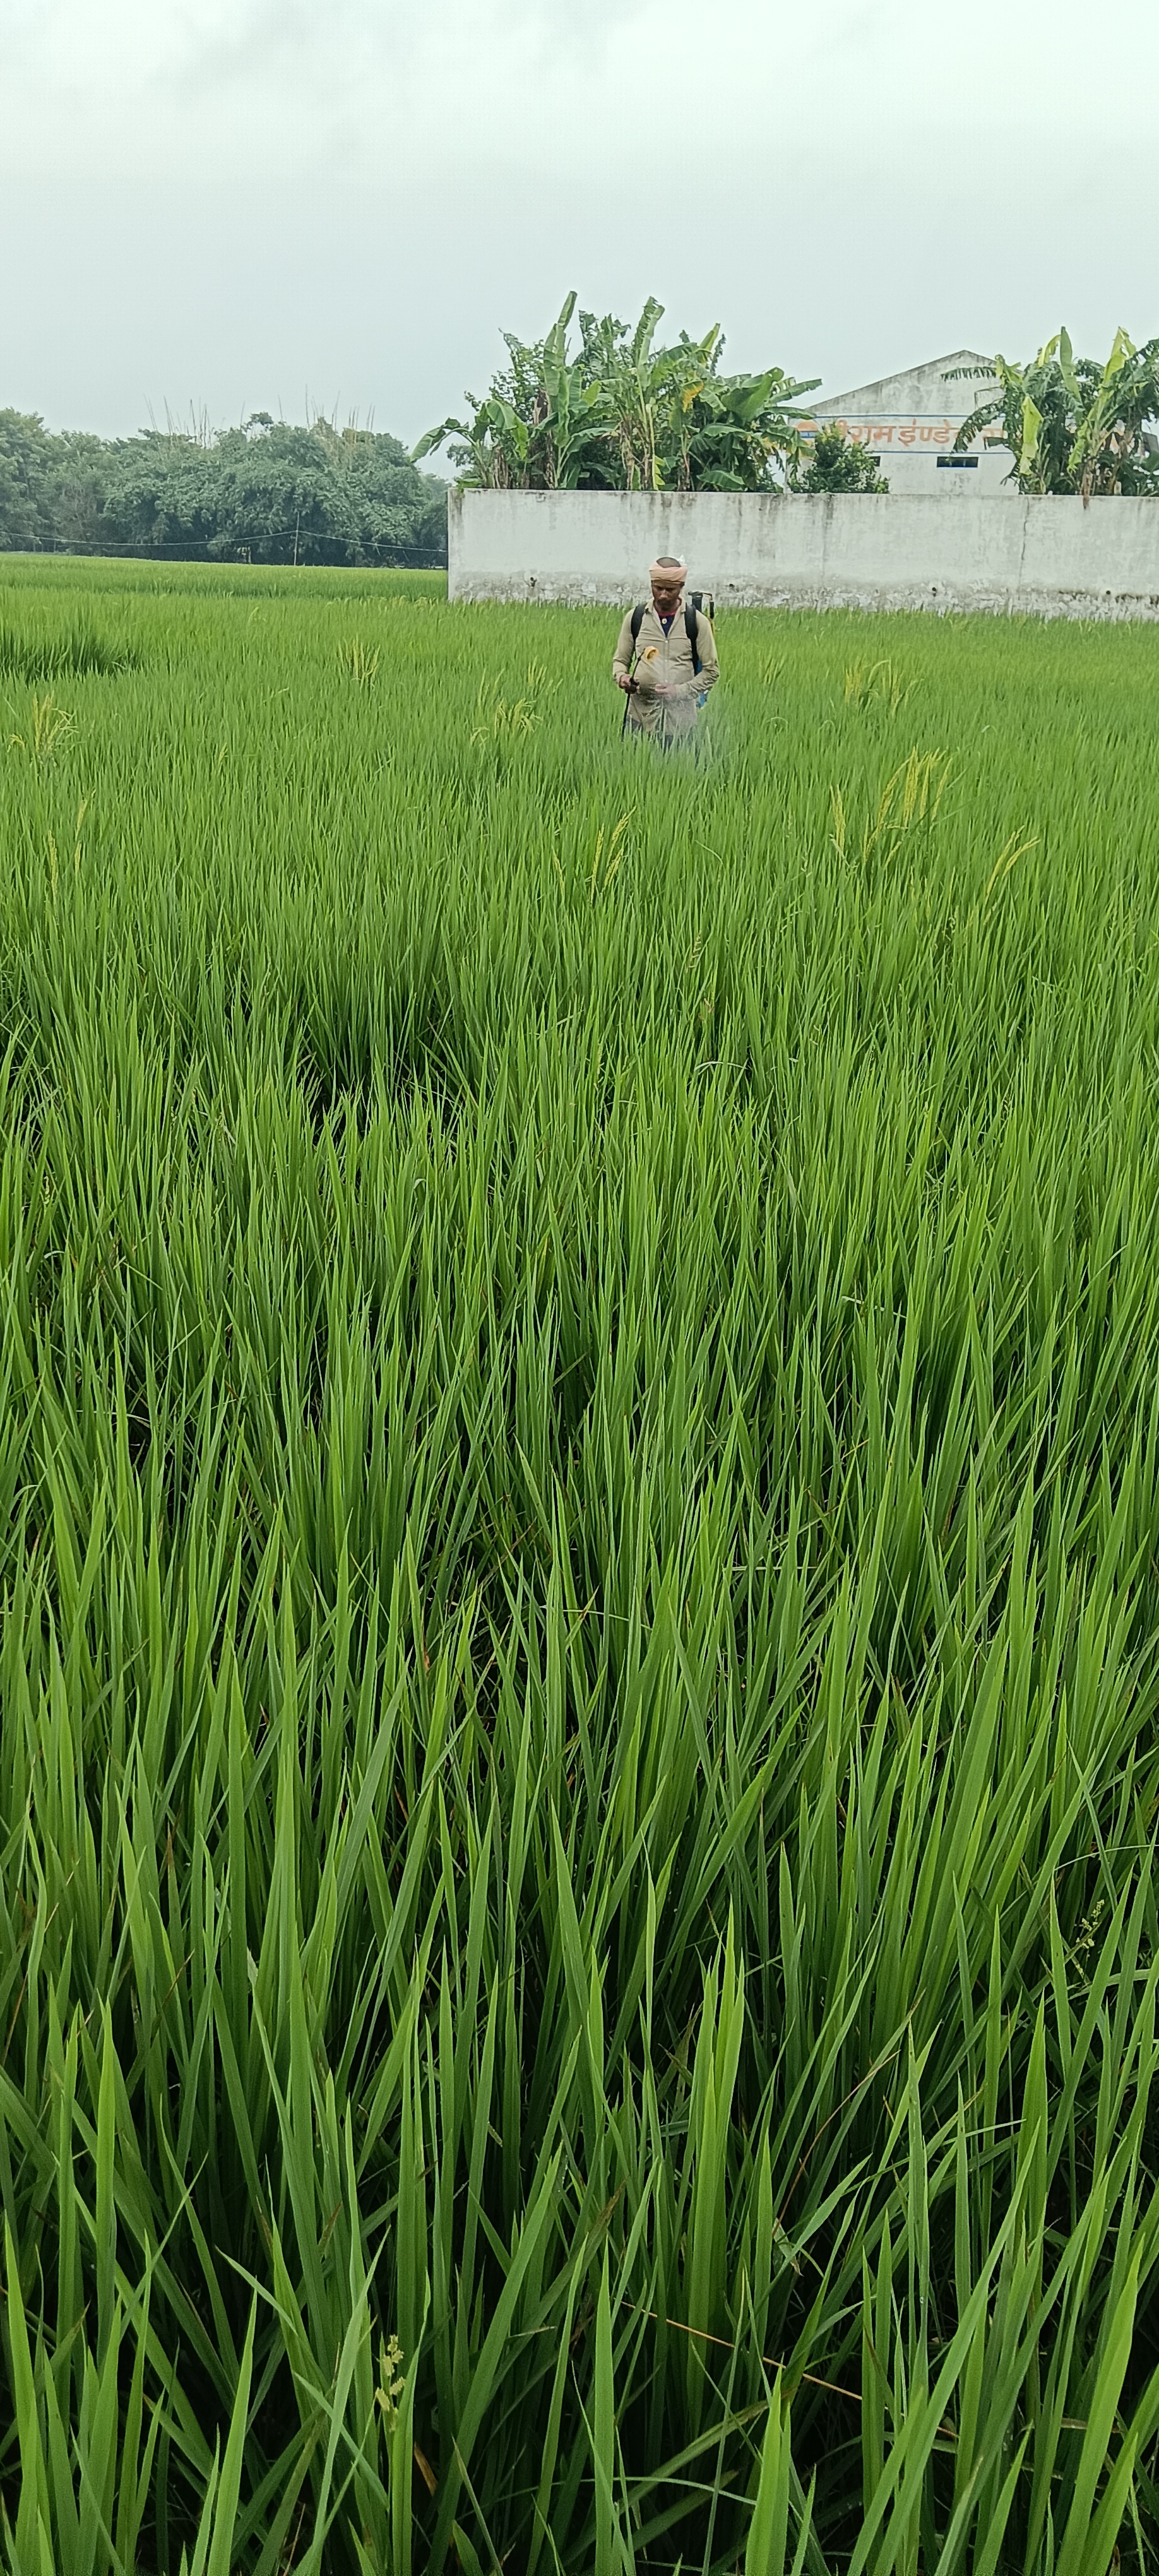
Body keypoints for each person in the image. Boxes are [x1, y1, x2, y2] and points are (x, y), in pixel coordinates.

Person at [612, 556, 718, 745]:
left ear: (681, 588)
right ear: (652, 585)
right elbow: (620, 661)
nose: (663, 595)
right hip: (639, 719)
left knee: (677, 764)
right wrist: (623, 678)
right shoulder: (636, 618)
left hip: (680, 724)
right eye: (658, 588)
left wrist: (679, 691)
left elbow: (711, 671)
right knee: (635, 763)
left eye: (670, 590)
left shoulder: (696, 622)